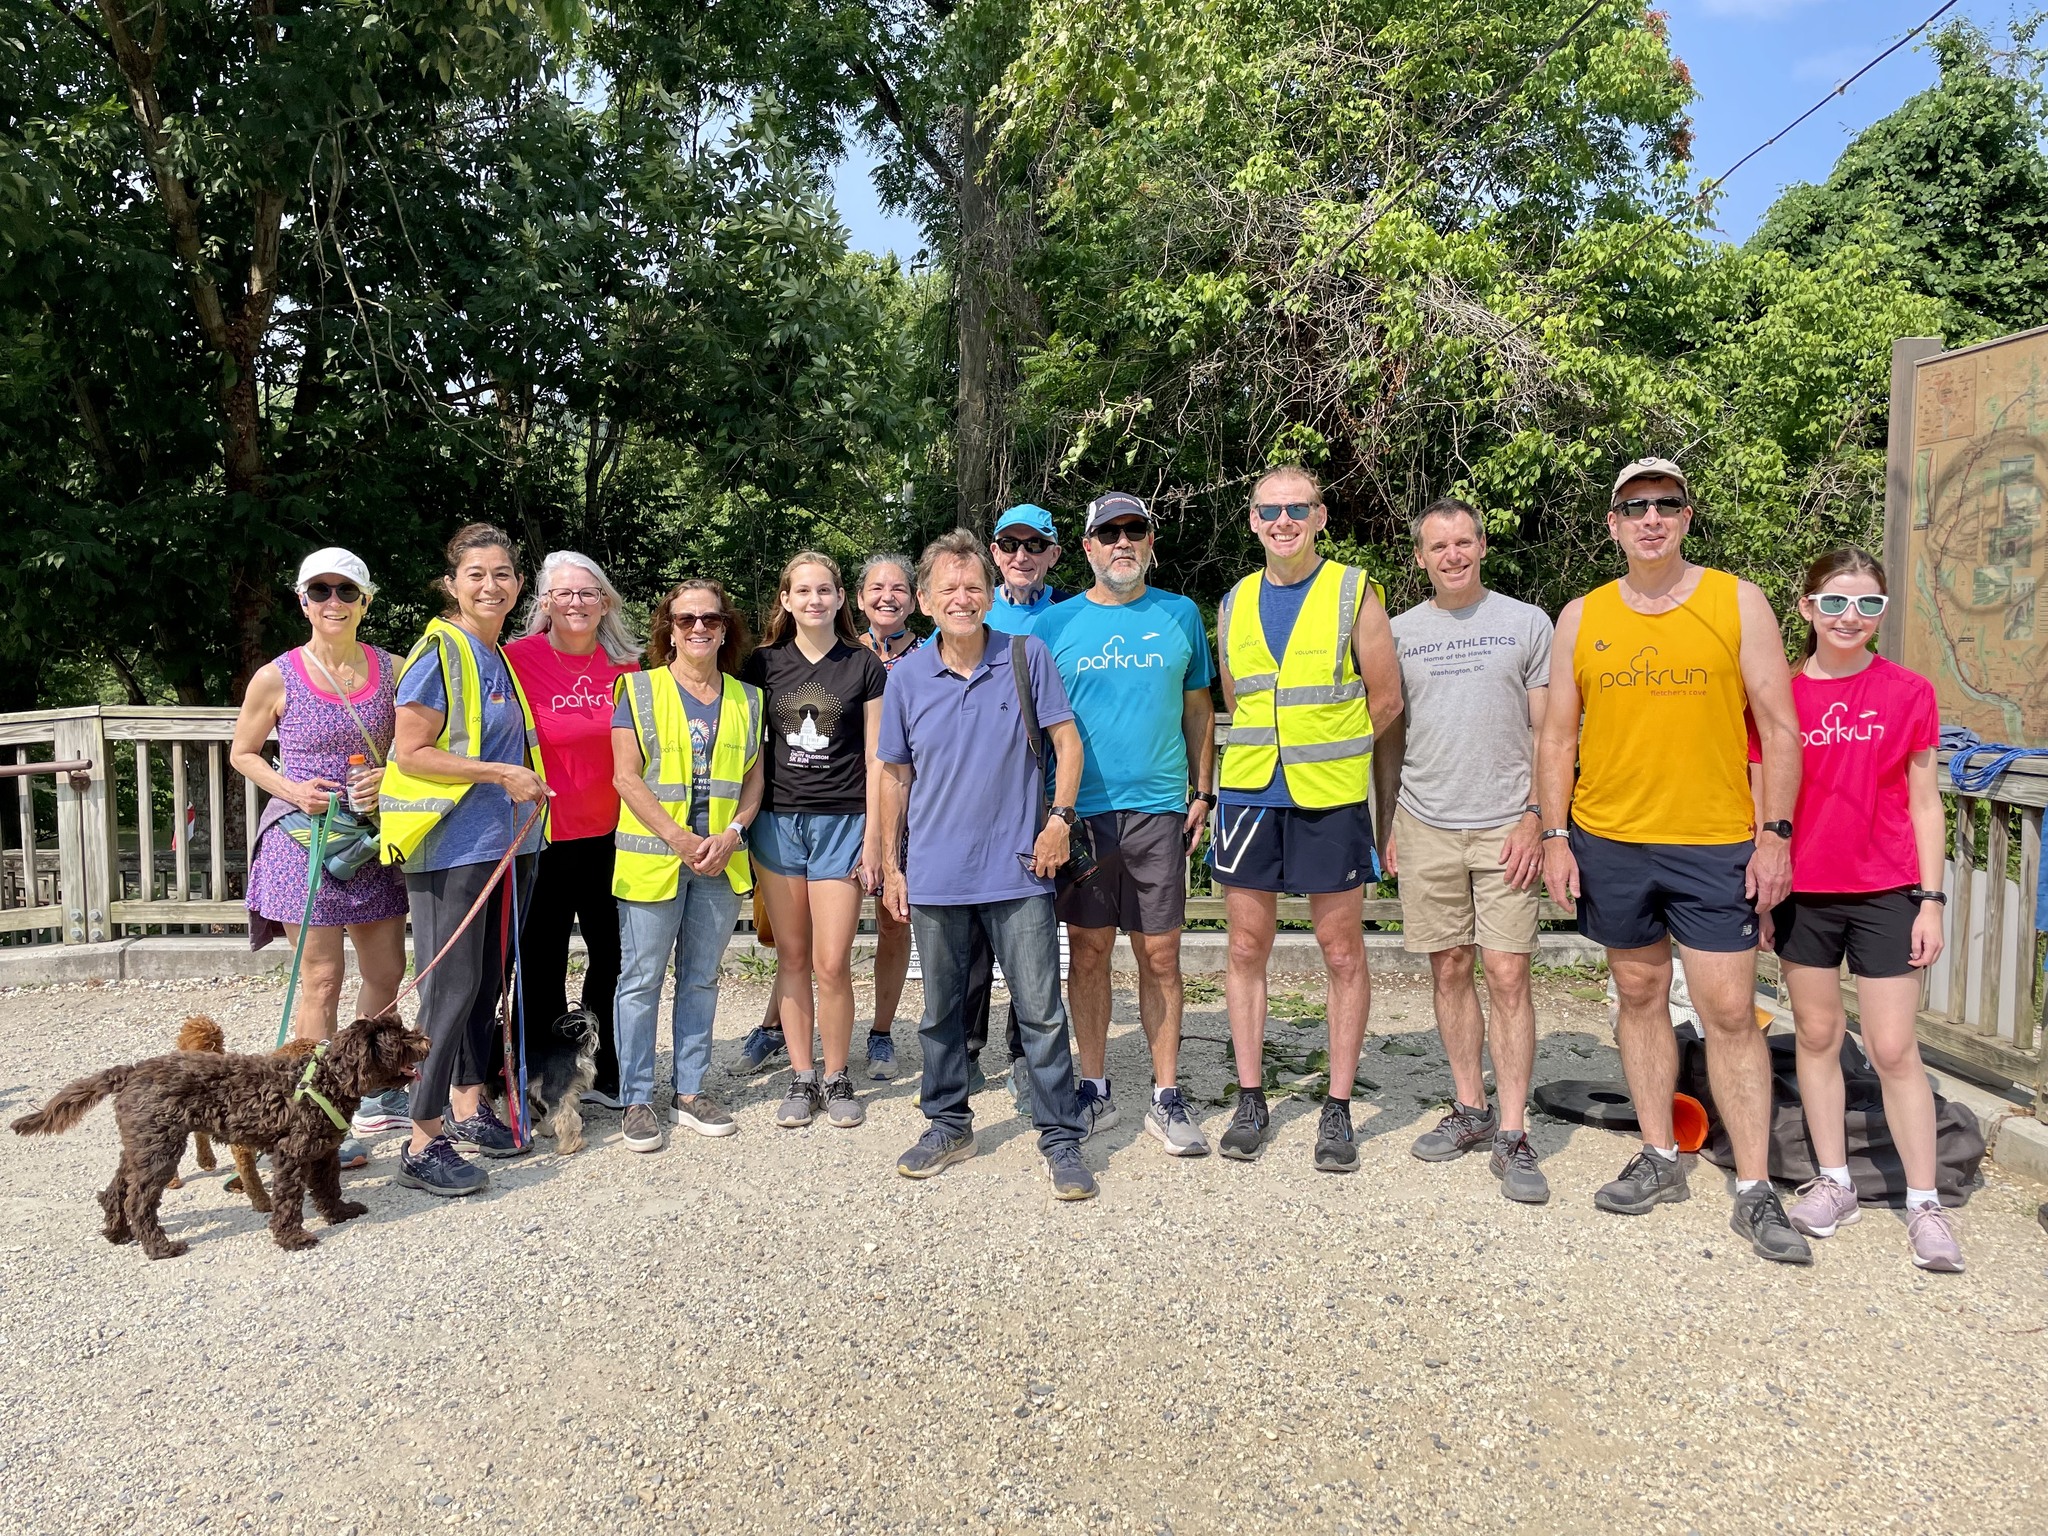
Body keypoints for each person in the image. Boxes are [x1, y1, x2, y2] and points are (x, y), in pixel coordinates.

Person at [1535, 457, 1808, 1264]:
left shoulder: (1737, 601)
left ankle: (1755, 1189)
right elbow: (1556, 735)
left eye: (1666, 504)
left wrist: (1776, 835)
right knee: (1638, 991)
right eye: (1634, 507)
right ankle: (1659, 1152)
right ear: (1613, 525)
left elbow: (1781, 727)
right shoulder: (1581, 616)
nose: (1650, 518)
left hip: (1714, 837)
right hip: (1611, 837)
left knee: (1729, 1010)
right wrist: (1555, 834)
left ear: (1686, 517)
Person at [877, 530, 1096, 1199]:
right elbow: (893, 776)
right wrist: (890, 865)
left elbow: (1067, 743)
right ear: (924, 600)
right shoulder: (909, 676)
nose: (963, 598)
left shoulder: (1026, 657)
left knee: (1041, 1011)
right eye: (948, 588)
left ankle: (1061, 1136)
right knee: (941, 1013)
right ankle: (949, 1122)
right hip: (938, 875)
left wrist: (1059, 820)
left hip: (1019, 871)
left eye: (973, 586)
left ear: (988, 594)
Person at [1766, 550, 1960, 1271]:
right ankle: (1835, 1181)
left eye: (1869, 605)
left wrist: (1932, 901)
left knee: (1892, 1048)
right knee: (1816, 1036)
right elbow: (1763, 800)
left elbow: (1925, 802)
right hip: (1805, 892)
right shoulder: (1779, 695)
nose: (1852, 618)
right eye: (1838, 603)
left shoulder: (1909, 691)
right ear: (1808, 607)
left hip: (1888, 890)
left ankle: (1924, 1202)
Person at [1210, 467, 1402, 1173]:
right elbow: (1239, 697)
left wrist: (1338, 758)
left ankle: (1338, 1107)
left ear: (1320, 516)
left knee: (1343, 952)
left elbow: (1386, 700)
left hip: (1329, 795)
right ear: (1254, 520)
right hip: (1252, 795)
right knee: (1243, 949)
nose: (1283, 520)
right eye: (1270, 510)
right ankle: (1253, 1097)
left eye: (1297, 508)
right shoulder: (1234, 601)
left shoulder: (1353, 590)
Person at [1373, 499, 1554, 1203]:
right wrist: (1385, 819)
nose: (1452, 555)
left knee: (1507, 972)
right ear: (1419, 557)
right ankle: (1470, 1107)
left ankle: (1513, 1129)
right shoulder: (1398, 634)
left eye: (1463, 542)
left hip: (1508, 821)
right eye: (1437, 545)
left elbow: (1547, 733)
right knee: (1449, 966)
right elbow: (1388, 738)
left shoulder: (1525, 623)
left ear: (1483, 547)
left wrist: (1539, 815)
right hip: (1425, 821)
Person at [1033, 492, 1216, 1155]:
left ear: (1150, 542)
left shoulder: (1180, 615)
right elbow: (1035, 727)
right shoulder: (1052, 627)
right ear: (1086, 548)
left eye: (1133, 530)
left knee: (1161, 956)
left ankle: (1166, 1097)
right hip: (1080, 814)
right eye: (1107, 532)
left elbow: (1199, 709)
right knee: (1087, 953)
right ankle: (1093, 1088)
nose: (1121, 542)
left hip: (1160, 810)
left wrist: (1204, 790)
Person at [380, 524, 551, 1197]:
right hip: (453, 847)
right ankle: (422, 1143)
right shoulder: (440, 651)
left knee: (485, 984)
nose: (491, 585)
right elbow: (410, 752)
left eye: (503, 573)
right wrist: (499, 774)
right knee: (449, 990)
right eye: (476, 574)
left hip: (507, 843)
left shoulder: (495, 652)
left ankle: (466, 1106)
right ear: (452, 583)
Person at [230, 547, 410, 1170]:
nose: (333, 603)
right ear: (302, 600)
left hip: (372, 837)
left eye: (346, 592)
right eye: (320, 591)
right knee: (322, 979)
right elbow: (245, 753)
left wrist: (390, 777)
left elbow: (419, 744)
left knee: (385, 974)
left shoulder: (395, 669)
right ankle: (312, 1107)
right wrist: (293, 789)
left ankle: (371, 1091)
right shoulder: (277, 676)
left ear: (365, 600)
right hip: (301, 839)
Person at [610, 580, 765, 1153]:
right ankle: (637, 1097)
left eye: (710, 618)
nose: (698, 627)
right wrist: (678, 838)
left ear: (725, 628)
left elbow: (754, 779)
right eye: (685, 619)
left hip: (720, 864)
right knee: (642, 980)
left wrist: (731, 834)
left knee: (701, 976)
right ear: (667, 628)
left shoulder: (749, 699)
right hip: (654, 860)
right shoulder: (638, 690)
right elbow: (626, 776)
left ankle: (692, 1089)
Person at [740, 552, 888, 1132]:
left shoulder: (863, 665)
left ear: (840, 597)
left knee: (832, 962)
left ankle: (836, 1073)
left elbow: (878, 758)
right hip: (778, 824)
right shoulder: (761, 665)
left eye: (824, 590)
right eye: (803, 591)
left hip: (843, 823)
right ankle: (801, 1076)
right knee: (794, 957)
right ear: (786, 599)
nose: (814, 601)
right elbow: (749, 750)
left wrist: (876, 839)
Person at [506, 552, 640, 1110]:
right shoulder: (515, 659)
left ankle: (605, 1068)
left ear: (604, 600)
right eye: (564, 594)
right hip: (542, 836)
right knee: (540, 960)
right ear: (544, 603)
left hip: (613, 836)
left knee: (612, 955)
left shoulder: (628, 665)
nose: (576, 604)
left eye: (587, 593)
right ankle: (542, 1073)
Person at [854, 553, 923, 1079]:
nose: (887, 596)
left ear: (915, 599)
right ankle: (780, 1027)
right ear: (859, 598)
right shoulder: (838, 654)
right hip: (837, 801)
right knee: (812, 929)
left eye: (898, 587)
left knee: (892, 922)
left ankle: (881, 1033)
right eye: (876, 587)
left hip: (904, 806)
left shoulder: (928, 657)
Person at [985, 503, 1066, 634]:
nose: (1020, 557)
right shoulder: (974, 609)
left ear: (1054, 555)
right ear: (996, 553)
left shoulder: (1072, 613)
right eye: (1010, 544)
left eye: (1035, 545)